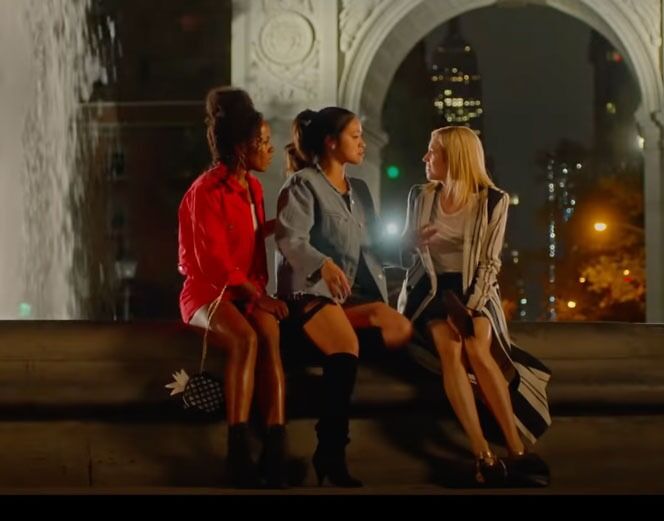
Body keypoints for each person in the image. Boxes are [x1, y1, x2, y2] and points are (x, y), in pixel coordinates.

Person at [397, 126, 552, 486]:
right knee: (449, 348)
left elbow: (490, 265)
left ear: (455, 157)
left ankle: (516, 451)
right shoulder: (419, 196)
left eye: (432, 151)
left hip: (476, 291)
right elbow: (406, 260)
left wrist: (470, 308)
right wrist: (407, 243)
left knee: (477, 344)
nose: (425, 158)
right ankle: (483, 454)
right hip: (430, 293)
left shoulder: (493, 201)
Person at [275, 106, 413, 487]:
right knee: (347, 344)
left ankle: (305, 352)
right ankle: (330, 451)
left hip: (347, 300)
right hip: (309, 293)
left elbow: (372, 249)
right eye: (355, 135)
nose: (363, 143)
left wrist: (412, 245)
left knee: (399, 328)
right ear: (331, 142)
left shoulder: (361, 191)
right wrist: (323, 265)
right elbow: (290, 239)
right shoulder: (302, 184)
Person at [177, 86, 289, 488]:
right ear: (242, 146)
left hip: (249, 290)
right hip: (208, 293)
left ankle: (276, 448)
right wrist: (259, 296)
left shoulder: (255, 190)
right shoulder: (205, 191)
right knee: (244, 340)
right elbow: (213, 264)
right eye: (262, 142)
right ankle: (237, 451)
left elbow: (253, 244)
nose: (270, 149)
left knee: (271, 337)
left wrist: (286, 228)